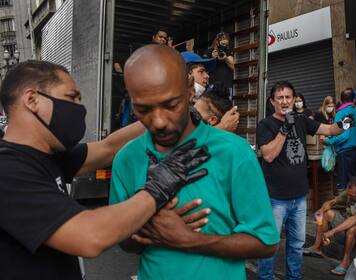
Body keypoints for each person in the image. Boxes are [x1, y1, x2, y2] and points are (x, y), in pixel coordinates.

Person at [0, 60, 211, 279]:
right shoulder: (7, 169)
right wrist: (158, 187)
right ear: (32, 100)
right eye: (71, 97)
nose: (79, 107)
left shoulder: (47, 155)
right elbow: (89, 236)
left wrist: (165, 116)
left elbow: (108, 148)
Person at [110, 44, 279, 280]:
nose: (158, 121)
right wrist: (142, 221)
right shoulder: (126, 160)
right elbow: (125, 242)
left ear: (191, 91)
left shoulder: (234, 152)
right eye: (143, 108)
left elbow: (265, 242)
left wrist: (191, 240)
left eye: (170, 105)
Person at [256, 81, 355, 280]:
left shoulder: (302, 120)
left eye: (288, 98)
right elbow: (268, 155)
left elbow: (328, 130)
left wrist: (344, 124)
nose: (284, 101)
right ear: (273, 101)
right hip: (275, 199)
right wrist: (285, 128)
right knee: (270, 244)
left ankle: (294, 277)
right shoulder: (265, 125)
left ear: (293, 100)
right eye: (280, 98)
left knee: (296, 244)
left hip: (299, 197)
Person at [303, 177, 356, 276]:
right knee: (327, 214)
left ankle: (345, 262)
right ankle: (317, 247)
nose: (349, 196)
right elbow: (331, 202)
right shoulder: (348, 193)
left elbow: (354, 219)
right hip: (349, 229)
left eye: (353, 196)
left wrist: (332, 231)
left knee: (352, 228)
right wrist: (321, 211)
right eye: (348, 194)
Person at [181, 51, 240, 132]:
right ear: (185, 74)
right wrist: (222, 127)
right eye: (201, 71)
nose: (207, 76)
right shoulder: (172, 104)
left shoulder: (194, 103)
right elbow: (186, 139)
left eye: (206, 72)